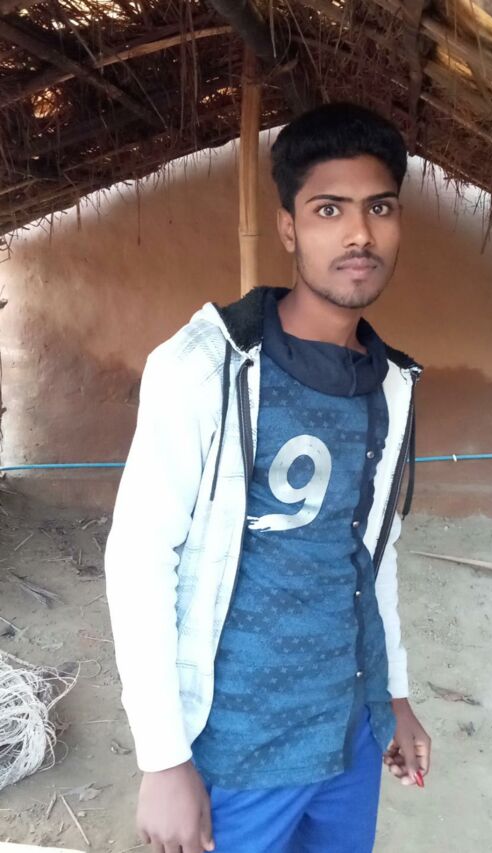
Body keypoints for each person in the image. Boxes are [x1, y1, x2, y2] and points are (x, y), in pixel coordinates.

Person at [105, 102, 431, 853]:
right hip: (239, 748)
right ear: (289, 229)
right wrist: (164, 759)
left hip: (349, 734)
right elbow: (139, 558)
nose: (359, 233)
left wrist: (395, 695)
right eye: (329, 209)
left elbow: (373, 555)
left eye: (380, 208)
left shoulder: (390, 383)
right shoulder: (204, 367)